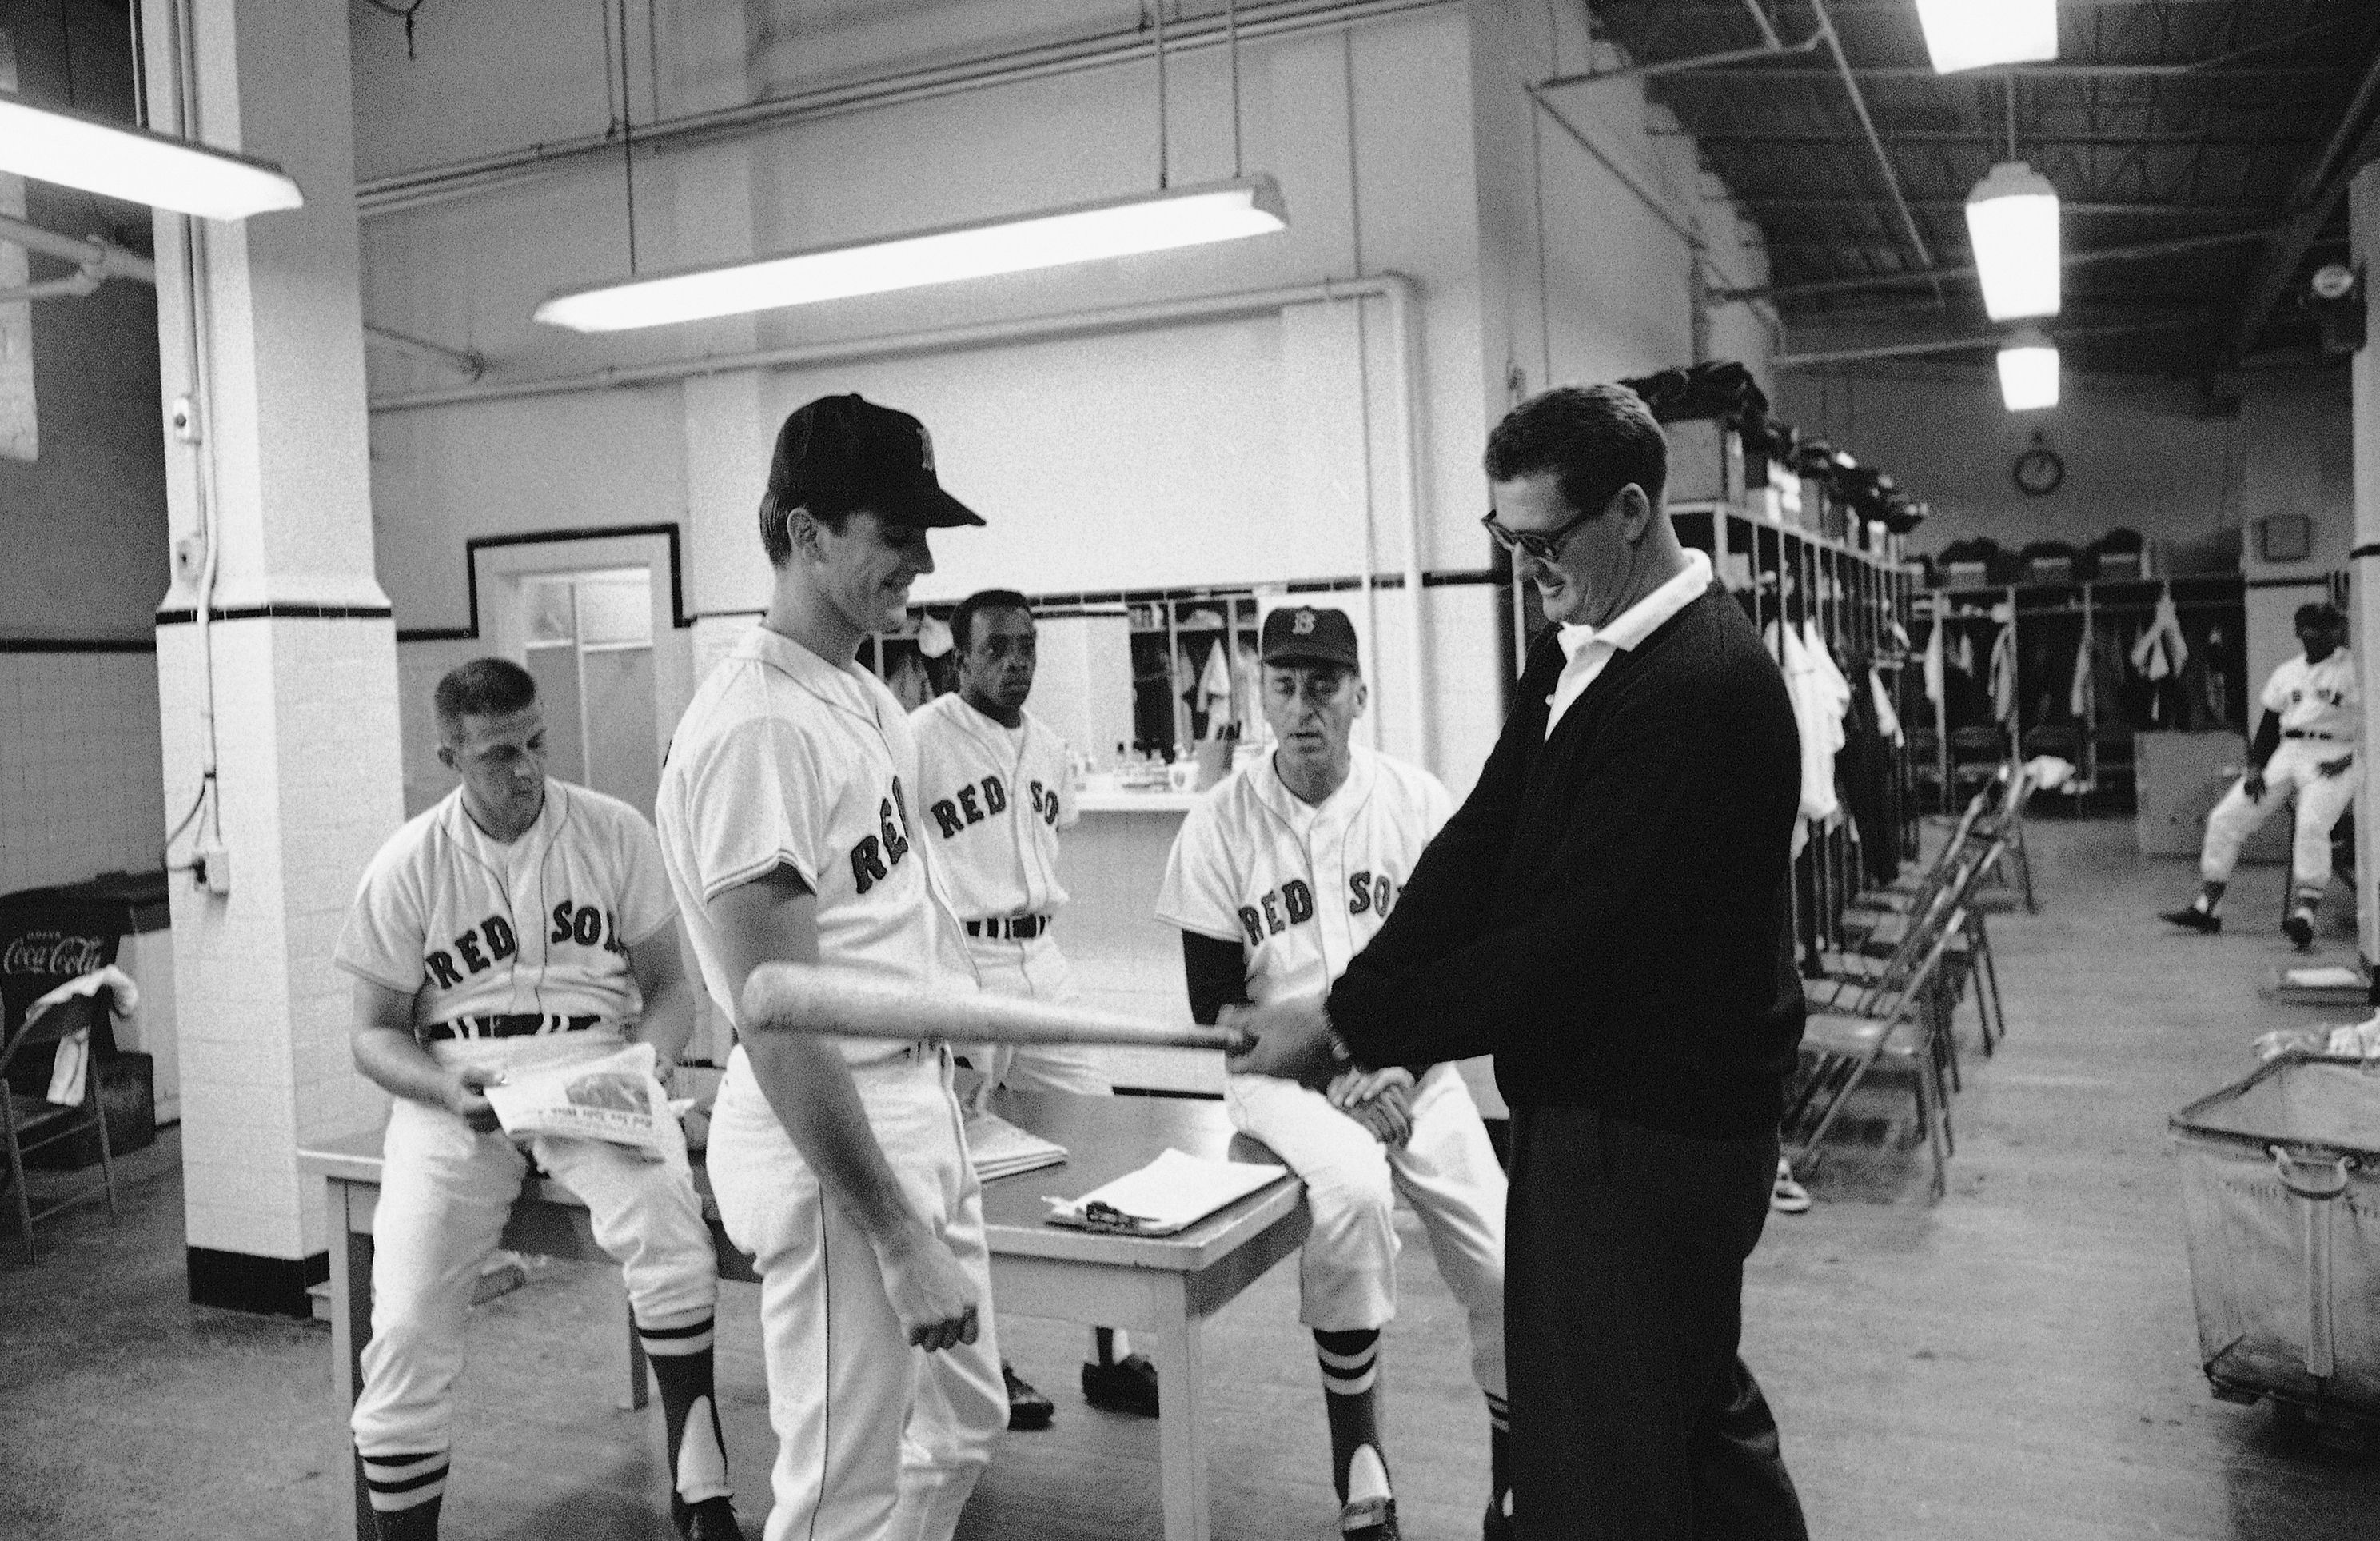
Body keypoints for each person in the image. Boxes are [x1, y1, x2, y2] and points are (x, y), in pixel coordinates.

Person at [1229, 384, 1810, 1541]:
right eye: (1504, 541)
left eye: (1544, 543)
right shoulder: (1585, 651)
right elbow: (1482, 842)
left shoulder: (1694, 688)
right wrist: (1353, 996)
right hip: (1610, 1120)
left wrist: (1349, 1028)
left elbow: (1565, 955)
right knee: (1687, 1422)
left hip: (1650, 1136)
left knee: (1606, 1467)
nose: (1524, 572)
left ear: (1634, 509)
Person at [655, 393, 1005, 1541]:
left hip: (912, 1097)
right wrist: (896, 1231)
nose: (922, 559)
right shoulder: (757, 728)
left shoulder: (859, 693)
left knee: (961, 1423)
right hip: (830, 1133)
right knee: (837, 1495)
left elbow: (892, 911)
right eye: (894, 531)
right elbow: (779, 1014)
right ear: (805, 533)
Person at [337, 657, 743, 1541]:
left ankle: (701, 1487)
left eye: (534, 744)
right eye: (495, 754)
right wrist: (444, 1087)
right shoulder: (407, 864)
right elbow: (372, 1032)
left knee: (672, 1235)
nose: (523, 769)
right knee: (405, 1321)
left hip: (594, 1064)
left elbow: (673, 986)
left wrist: (651, 1062)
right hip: (461, 1087)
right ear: (449, 754)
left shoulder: (613, 830)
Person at [1156, 605, 1509, 1541]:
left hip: (1406, 1063)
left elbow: (1459, 969)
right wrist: (1333, 1065)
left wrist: (1386, 1063)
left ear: (1360, 693)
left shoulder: (1416, 801)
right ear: (1261, 693)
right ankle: (1361, 1462)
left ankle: (1515, 1477)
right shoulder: (1217, 824)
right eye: (1284, 683)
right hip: (1278, 1076)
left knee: (1507, 1256)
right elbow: (1214, 1011)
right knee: (1350, 1192)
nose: (1303, 705)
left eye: (1323, 683)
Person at [909, 589, 1162, 1427]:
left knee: (1101, 1134)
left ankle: (1112, 1352)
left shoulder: (1050, 749)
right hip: (961, 961)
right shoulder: (918, 741)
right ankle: (985, 1362)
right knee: (959, 1164)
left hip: (1040, 956)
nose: (1015, 663)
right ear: (962, 658)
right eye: (998, 649)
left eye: (1026, 648)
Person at [2162, 601, 2357, 949]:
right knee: (2225, 817)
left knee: (2312, 823)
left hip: (2336, 753)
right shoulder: (2287, 671)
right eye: (2310, 627)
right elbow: (2268, 727)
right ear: (2299, 632)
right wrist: (2256, 767)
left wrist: (2352, 758)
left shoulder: (2355, 669)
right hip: (2289, 751)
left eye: (2326, 627)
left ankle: (2304, 915)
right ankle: (2208, 906)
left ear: (2337, 631)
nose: (2317, 634)